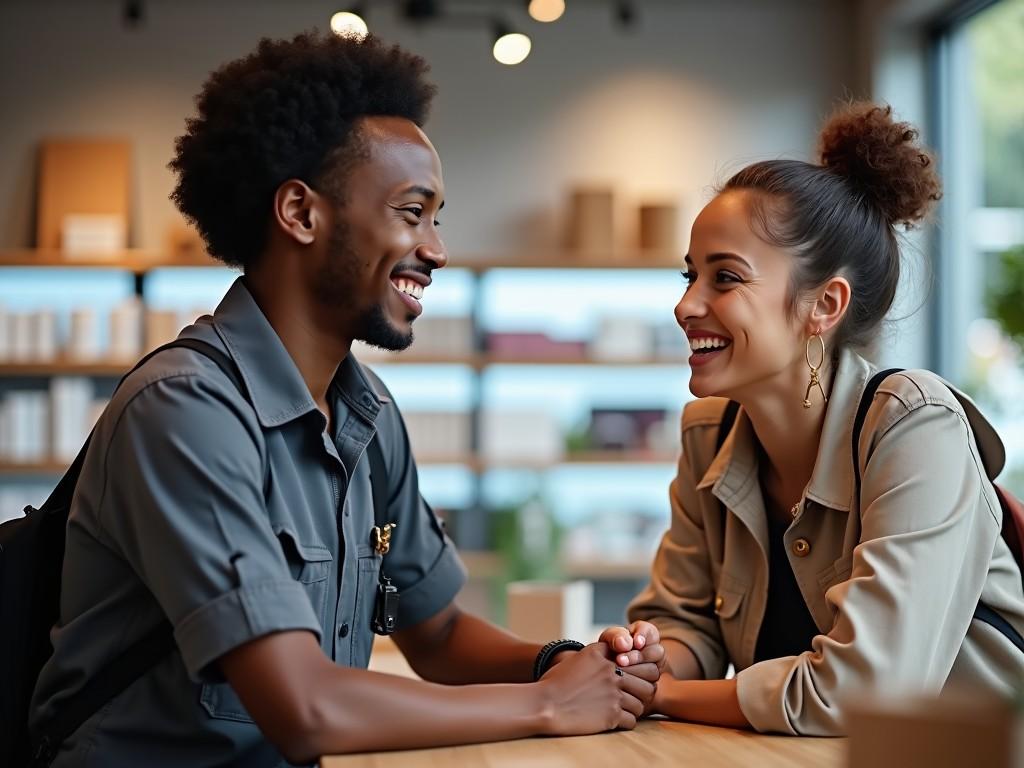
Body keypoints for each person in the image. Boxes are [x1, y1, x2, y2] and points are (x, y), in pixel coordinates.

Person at [29, 32, 663, 766]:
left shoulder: (369, 416)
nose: (437, 248)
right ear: (300, 213)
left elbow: (440, 633)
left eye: (437, 217)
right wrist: (549, 705)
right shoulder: (183, 412)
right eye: (411, 211)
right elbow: (304, 706)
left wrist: (564, 664)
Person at [614, 102, 1024, 735]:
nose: (686, 304)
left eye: (725, 278)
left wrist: (663, 697)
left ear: (824, 305)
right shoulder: (709, 432)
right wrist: (647, 659)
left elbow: (861, 693)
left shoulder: (917, 426)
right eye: (690, 274)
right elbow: (685, 619)